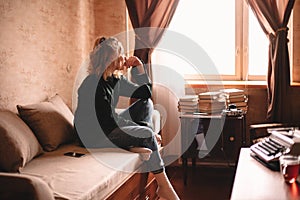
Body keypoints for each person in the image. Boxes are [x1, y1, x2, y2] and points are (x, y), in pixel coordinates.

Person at [74, 36, 180, 200]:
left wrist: (139, 67)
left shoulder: (115, 79)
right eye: (121, 54)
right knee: (145, 134)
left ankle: (138, 142)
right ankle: (164, 186)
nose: (124, 58)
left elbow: (145, 93)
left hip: (108, 126)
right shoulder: (92, 84)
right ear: (111, 59)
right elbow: (108, 122)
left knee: (146, 104)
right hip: (94, 136)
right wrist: (145, 132)